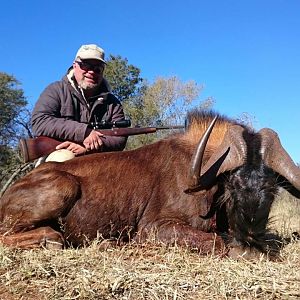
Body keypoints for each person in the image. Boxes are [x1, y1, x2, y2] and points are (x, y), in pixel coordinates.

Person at [31, 44, 127, 163]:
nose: (91, 72)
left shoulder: (113, 102)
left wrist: (88, 147)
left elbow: (120, 138)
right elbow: (40, 121)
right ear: (74, 65)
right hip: (58, 153)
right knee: (64, 159)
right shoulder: (56, 90)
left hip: (98, 158)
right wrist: (84, 132)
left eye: (98, 68)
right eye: (85, 65)